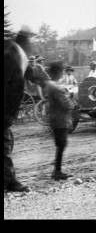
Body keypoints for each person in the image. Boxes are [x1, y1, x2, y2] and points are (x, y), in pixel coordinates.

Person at [4, 26, 35, 192]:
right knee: (5, 143)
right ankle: (10, 182)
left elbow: (30, 74)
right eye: (32, 42)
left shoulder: (16, 53)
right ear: (26, 42)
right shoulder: (11, 55)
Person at [41, 61, 76, 180]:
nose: (62, 73)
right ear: (58, 72)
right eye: (61, 71)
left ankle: (57, 170)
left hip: (54, 119)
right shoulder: (57, 88)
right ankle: (57, 171)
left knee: (60, 145)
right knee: (62, 145)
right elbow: (68, 105)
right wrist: (70, 99)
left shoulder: (49, 85)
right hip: (61, 120)